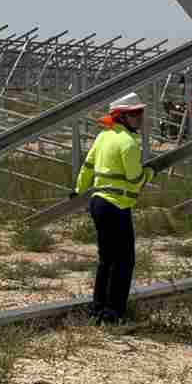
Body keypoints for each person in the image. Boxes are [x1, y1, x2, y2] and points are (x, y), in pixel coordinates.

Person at [73, 92, 152, 323]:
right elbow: (136, 179)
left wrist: (79, 189)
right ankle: (113, 313)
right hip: (116, 207)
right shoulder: (129, 143)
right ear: (122, 117)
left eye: (140, 112)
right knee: (123, 261)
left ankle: (97, 310)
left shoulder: (103, 137)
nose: (140, 117)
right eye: (135, 113)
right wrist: (150, 172)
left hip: (98, 204)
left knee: (106, 259)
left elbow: (87, 166)